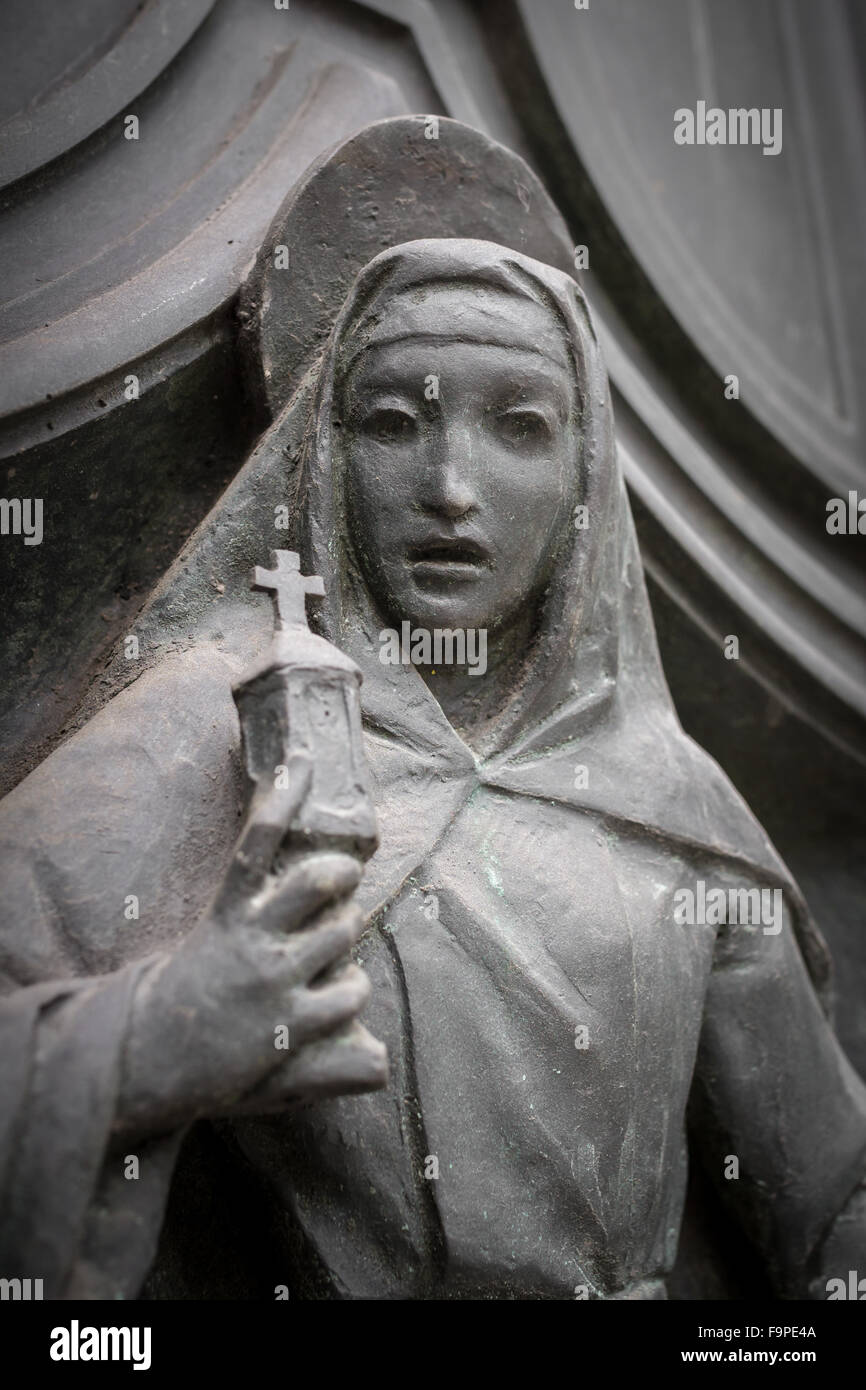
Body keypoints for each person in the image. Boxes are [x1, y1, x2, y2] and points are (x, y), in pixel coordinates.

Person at [1, 239, 863, 1299]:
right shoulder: (225, 722)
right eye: (395, 424)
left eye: (518, 427)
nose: (452, 489)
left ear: (584, 474)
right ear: (325, 452)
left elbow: (828, 1201)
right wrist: (154, 1036)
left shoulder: (667, 798)